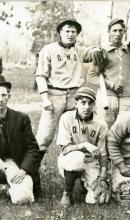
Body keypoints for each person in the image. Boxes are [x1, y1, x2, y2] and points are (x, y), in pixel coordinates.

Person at [35, 19, 105, 158]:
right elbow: (40, 75)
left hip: (75, 96)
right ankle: (31, 172)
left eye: (74, 31)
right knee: (44, 137)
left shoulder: (79, 51)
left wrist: (98, 50)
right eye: (67, 31)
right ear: (60, 32)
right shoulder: (49, 49)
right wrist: (45, 99)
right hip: (54, 95)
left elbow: (93, 53)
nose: (70, 34)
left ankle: (77, 170)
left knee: (78, 134)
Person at [87, 18, 130, 128]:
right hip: (107, 97)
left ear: (124, 32)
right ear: (109, 32)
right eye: (114, 30)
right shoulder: (101, 51)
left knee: (125, 129)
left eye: (120, 30)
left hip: (127, 97)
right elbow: (91, 76)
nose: (117, 33)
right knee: (106, 129)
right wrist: (111, 85)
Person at [57, 87, 109, 207]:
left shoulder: (100, 123)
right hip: (70, 159)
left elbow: (103, 153)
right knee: (77, 158)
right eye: (83, 102)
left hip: (91, 162)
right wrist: (84, 145)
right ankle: (67, 193)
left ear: (94, 105)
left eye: (90, 103)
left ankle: (84, 184)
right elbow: (65, 149)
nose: (87, 107)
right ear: (76, 104)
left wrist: (103, 175)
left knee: (97, 198)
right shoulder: (66, 118)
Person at [0, 77, 41, 204]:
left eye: (3, 95)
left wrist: (24, 170)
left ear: (9, 96)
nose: (0, 99)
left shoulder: (21, 118)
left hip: (14, 163)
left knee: (22, 198)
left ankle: (10, 187)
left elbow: (33, 149)